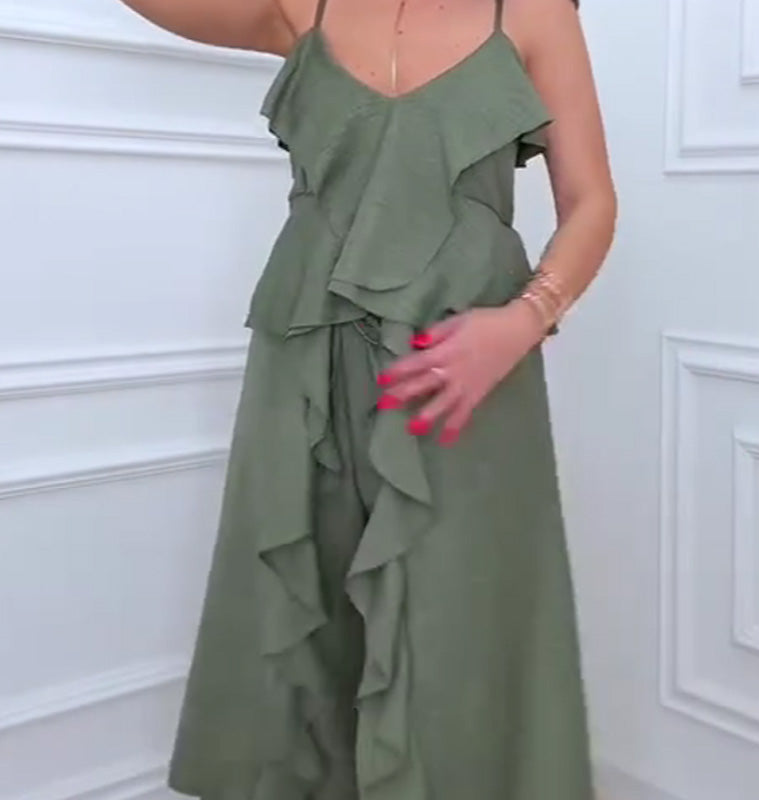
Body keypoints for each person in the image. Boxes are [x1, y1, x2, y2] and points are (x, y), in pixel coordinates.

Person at [120, 1, 616, 798]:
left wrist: (527, 320)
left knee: (459, 620)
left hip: (463, 371)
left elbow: (591, 201)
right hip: (304, 365)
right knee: (303, 616)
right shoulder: (300, 7)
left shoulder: (533, 12)